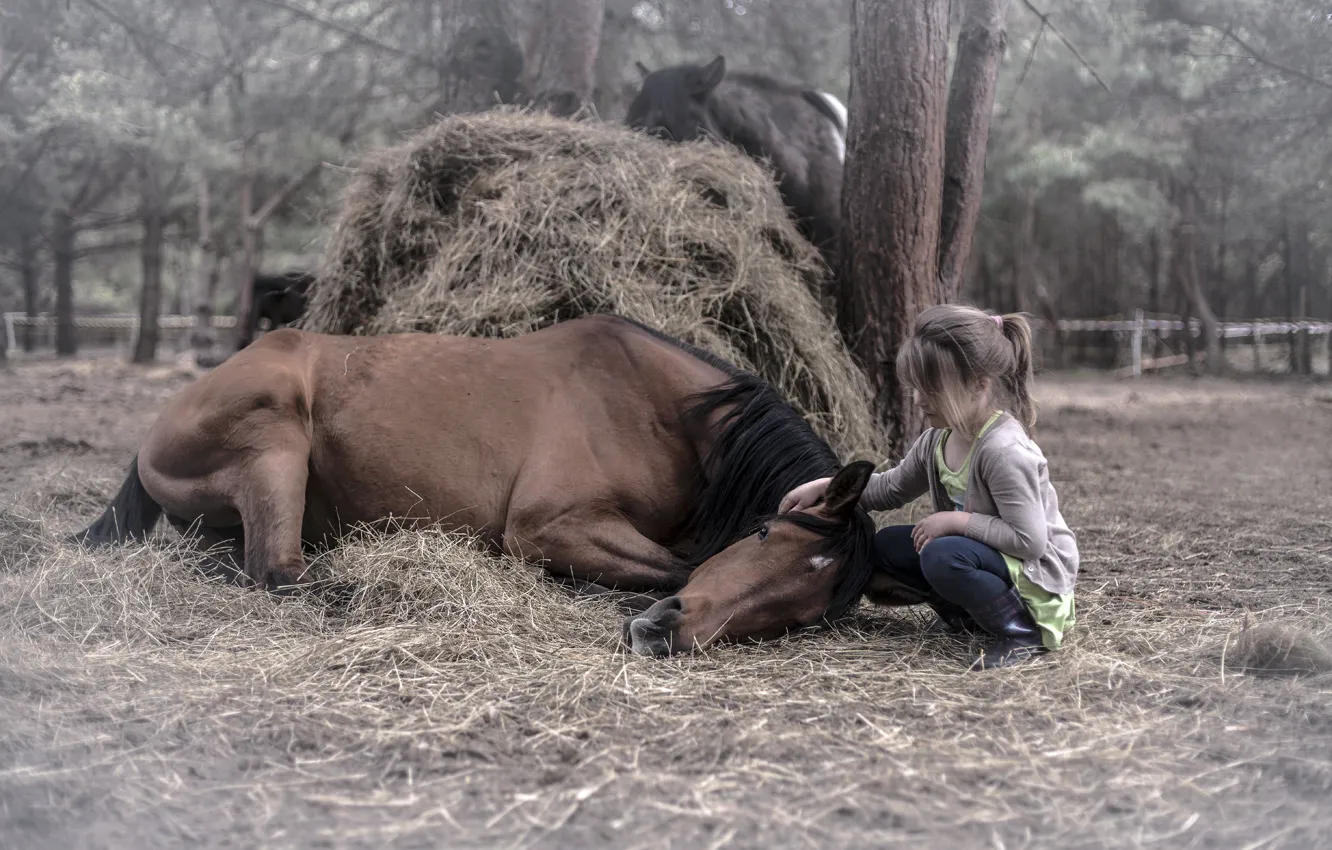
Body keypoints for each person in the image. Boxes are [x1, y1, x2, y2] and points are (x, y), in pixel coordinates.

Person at [780, 305, 1078, 670]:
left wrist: (956, 522)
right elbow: (889, 490)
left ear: (979, 385)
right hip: (987, 557)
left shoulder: (1004, 452)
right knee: (886, 546)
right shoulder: (937, 439)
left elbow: (1030, 541)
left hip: (1035, 579)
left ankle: (1020, 633)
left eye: (932, 388)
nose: (919, 400)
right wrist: (827, 487)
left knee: (941, 554)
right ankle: (967, 615)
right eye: (916, 387)